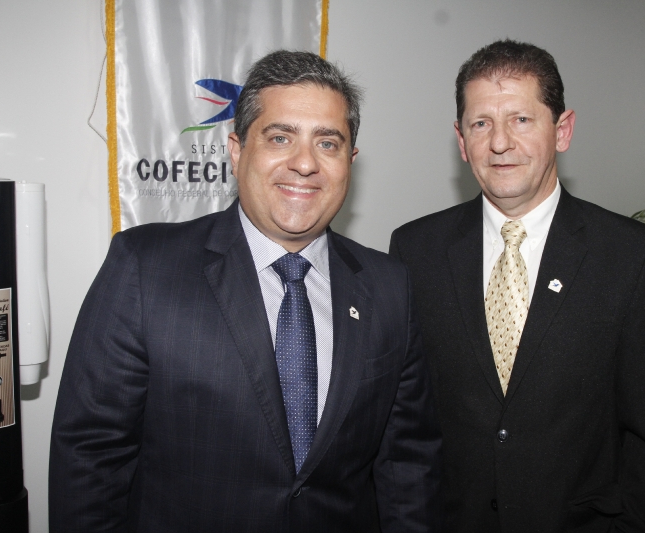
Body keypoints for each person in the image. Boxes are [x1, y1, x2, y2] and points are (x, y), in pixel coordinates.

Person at [49, 50, 441, 532]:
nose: (305, 163)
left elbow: (408, 465)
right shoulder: (145, 268)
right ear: (237, 151)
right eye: (280, 138)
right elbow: (90, 457)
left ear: (350, 161)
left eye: (327, 143)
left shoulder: (389, 286)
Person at [389, 39, 645, 532]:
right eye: (481, 124)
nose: (500, 143)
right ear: (461, 140)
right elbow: (404, 421)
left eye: (521, 120)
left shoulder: (631, 256)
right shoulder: (415, 249)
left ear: (562, 130)